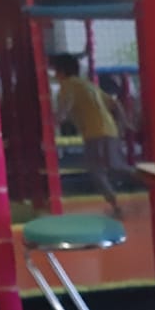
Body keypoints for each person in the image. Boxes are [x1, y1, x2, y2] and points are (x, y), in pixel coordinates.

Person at [51, 53, 124, 218]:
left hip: (94, 132)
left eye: (55, 70)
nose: (54, 74)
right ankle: (141, 181)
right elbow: (115, 104)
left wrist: (55, 120)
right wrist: (124, 123)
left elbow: (66, 105)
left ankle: (117, 206)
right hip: (109, 130)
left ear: (61, 71)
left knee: (97, 171)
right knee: (115, 166)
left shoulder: (67, 85)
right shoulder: (87, 84)